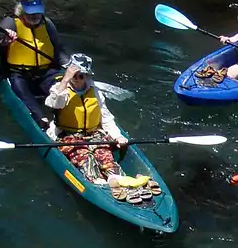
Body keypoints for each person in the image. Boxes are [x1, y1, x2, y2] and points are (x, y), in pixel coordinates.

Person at [44, 54, 156, 201]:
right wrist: (65, 79)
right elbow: (53, 104)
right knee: (85, 157)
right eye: (74, 75)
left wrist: (118, 136)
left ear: (87, 76)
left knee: (105, 156)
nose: (77, 79)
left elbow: (106, 118)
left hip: (94, 134)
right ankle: (100, 184)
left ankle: (120, 181)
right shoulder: (60, 89)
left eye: (81, 76)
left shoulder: (95, 91)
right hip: (68, 135)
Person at [0, 0, 68, 127]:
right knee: (19, 86)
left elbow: (59, 51)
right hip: (20, 74)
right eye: (31, 13)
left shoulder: (48, 25)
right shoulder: (9, 24)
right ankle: (40, 118)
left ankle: (66, 118)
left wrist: (71, 67)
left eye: (38, 12)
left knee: (66, 88)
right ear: (21, 10)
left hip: (46, 73)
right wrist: (3, 43)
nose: (35, 17)